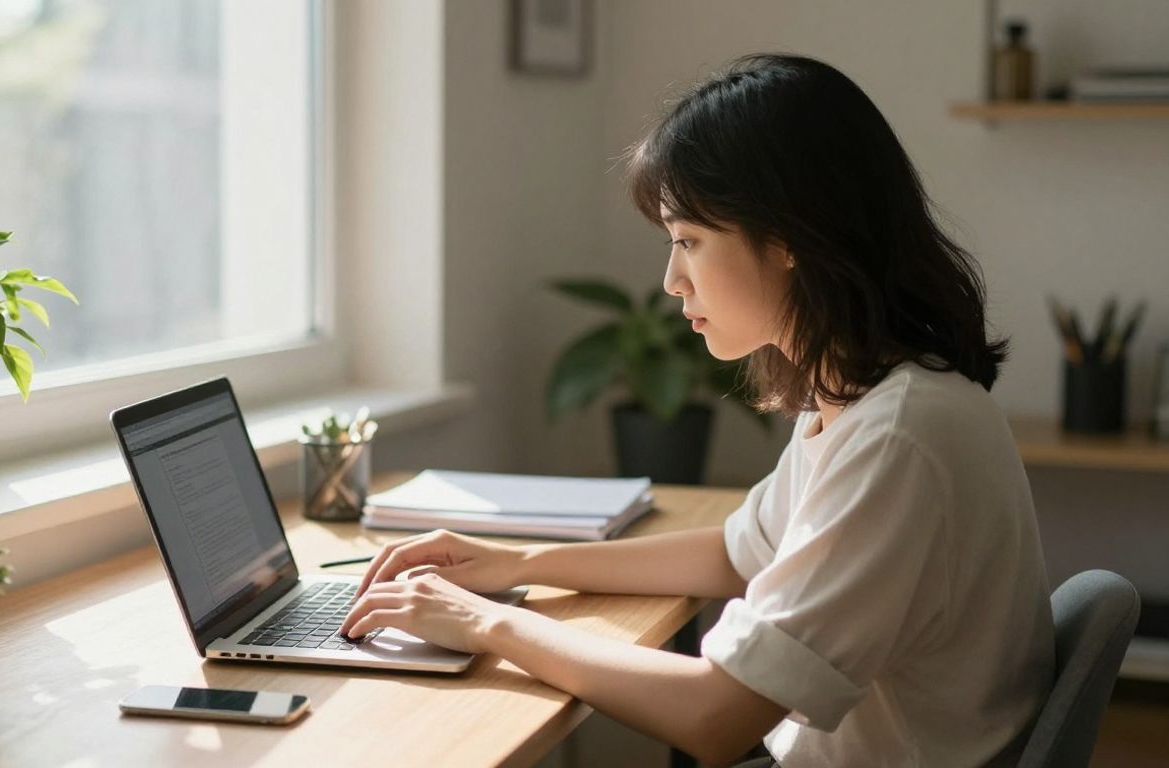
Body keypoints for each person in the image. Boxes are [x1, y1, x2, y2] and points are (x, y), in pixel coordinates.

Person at [339, 54, 1054, 767]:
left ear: (788, 241)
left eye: (689, 242)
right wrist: (518, 562)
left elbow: (716, 715)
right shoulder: (865, 399)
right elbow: (734, 551)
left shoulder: (900, 436)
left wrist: (490, 625)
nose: (671, 280)